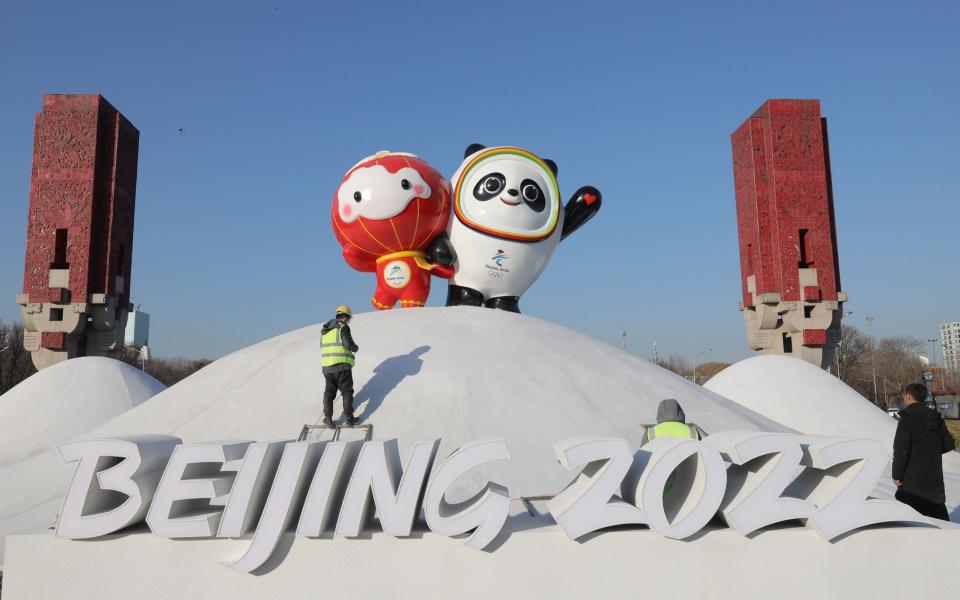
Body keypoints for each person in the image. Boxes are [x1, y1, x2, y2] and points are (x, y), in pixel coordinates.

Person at [892, 383, 955, 520]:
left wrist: (897, 475)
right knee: (938, 517)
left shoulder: (907, 420)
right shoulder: (935, 417)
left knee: (914, 519)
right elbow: (949, 444)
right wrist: (931, 451)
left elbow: (901, 450)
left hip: (912, 479)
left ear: (908, 396)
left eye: (904, 395)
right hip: (934, 476)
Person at [321, 305, 359, 427]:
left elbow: (323, 346)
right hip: (342, 367)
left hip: (327, 368)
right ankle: (349, 418)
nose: (348, 321)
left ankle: (327, 418)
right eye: (348, 318)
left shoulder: (325, 331)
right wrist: (355, 348)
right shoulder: (343, 328)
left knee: (329, 394)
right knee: (347, 392)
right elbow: (348, 344)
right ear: (343, 317)